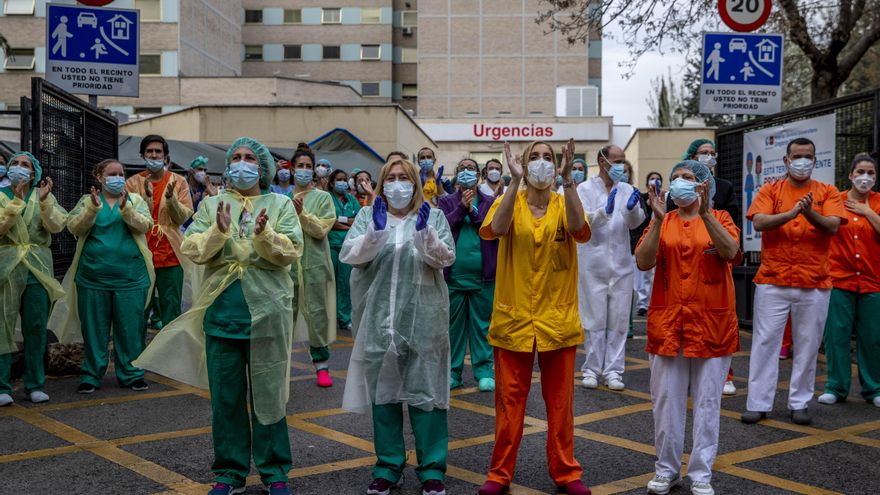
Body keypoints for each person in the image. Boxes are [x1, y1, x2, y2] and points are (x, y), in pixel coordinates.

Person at [134, 137, 303, 495]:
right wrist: (218, 231)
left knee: (269, 398)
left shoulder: (281, 205)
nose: (242, 163)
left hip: (267, 316)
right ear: (227, 165)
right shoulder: (212, 205)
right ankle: (229, 472)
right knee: (226, 401)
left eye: (249, 158)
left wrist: (264, 234)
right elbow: (193, 247)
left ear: (263, 166)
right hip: (222, 316)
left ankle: (275, 472)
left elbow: (291, 250)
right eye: (236, 157)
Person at [478, 140, 592, 495]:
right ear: (522, 165)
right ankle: (499, 474)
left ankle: (567, 473)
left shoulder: (564, 202)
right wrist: (513, 182)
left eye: (548, 157)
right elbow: (495, 229)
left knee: (561, 405)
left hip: (557, 321)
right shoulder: (507, 200)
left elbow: (579, 230)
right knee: (509, 404)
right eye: (534, 158)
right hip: (514, 321)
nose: (541, 163)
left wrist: (568, 180)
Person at [340, 157, 455, 495]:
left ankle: (432, 468)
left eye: (404, 177)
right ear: (381, 183)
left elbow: (445, 258)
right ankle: (388, 465)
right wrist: (375, 232)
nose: (398, 183)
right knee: (384, 396)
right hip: (378, 322)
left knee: (427, 395)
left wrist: (425, 236)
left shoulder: (432, 215)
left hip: (425, 321)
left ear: (415, 183)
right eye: (390, 177)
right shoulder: (367, 215)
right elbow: (351, 256)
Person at [636, 160, 741, 495]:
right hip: (669, 325)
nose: (681, 183)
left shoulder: (721, 218)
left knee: (709, 402)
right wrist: (654, 222)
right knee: (666, 402)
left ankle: (701, 473)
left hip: (712, 325)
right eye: (676, 178)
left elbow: (730, 251)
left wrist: (708, 214)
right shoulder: (662, 221)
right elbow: (643, 260)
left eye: (689, 178)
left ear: (704, 185)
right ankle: (666, 470)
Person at [742, 137, 848, 426]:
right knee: (765, 343)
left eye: (808, 156)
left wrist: (809, 211)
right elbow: (759, 221)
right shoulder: (770, 189)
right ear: (786, 161)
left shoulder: (827, 192)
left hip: (814, 282)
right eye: (797, 156)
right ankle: (758, 403)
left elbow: (833, 226)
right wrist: (791, 213)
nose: (803, 161)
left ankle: (799, 403)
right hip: (773, 280)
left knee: (808, 345)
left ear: (815, 160)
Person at [50, 159, 154, 394]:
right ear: (99, 177)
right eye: (112, 173)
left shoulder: (135, 200)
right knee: (94, 329)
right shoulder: (87, 202)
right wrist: (92, 210)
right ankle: (91, 374)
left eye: (121, 173)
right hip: (93, 277)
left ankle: (131, 373)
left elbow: (145, 226)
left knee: (130, 329)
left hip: (131, 277)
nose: (118, 177)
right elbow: (74, 228)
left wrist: (126, 209)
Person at [0, 152, 67, 406]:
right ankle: (2, 385)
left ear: (34, 172)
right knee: (2, 326)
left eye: (25, 165)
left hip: (37, 268)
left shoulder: (43, 197)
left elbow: (58, 225)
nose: (19, 167)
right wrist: (15, 205)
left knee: (36, 326)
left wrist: (45, 201)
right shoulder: (1, 196)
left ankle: (34, 383)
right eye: (14, 163)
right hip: (6, 266)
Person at [576, 145, 645, 391]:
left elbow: (635, 222)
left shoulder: (627, 189)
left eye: (623, 161)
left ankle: (614, 371)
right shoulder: (584, 189)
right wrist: (602, 213)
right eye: (616, 161)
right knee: (594, 319)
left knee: (618, 320)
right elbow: (581, 221)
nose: (621, 166)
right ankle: (592, 369)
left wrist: (631, 209)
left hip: (622, 265)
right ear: (602, 161)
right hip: (592, 264)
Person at [818, 154, 880, 408]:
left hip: (873, 280)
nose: (865, 177)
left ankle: (873, 388)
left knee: (872, 337)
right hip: (839, 279)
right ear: (850, 175)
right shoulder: (837, 200)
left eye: (871, 173)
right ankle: (836, 386)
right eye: (860, 171)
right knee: (837, 336)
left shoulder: (877, 202)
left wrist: (866, 211)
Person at [437, 158, 499, 392]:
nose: (466, 172)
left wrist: (471, 210)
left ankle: (484, 371)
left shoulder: (490, 202)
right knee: (453, 328)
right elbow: (442, 226)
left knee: (483, 326)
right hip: (453, 277)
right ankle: (453, 373)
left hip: (484, 277)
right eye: (462, 169)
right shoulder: (446, 202)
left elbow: (490, 228)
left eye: (471, 169)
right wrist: (461, 207)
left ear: (479, 175)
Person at [126, 135, 194, 331]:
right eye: (149, 151)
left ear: (165, 157)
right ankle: (135, 356)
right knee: (139, 308)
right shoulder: (132, 183)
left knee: (170, 308)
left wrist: (171, 200)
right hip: (140, 252)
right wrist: (146, 200)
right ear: (142, 155)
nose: (154, 155)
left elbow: (183, 216)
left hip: (171, 254)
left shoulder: (178, 181)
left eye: (158, 152)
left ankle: (170, 357)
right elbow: (128, 215)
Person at [289, 143, 337, 388]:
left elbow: (320, 230)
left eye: (309, 166)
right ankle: (279, 364)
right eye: (301, 166)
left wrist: (302, 215)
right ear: (292, 168)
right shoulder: (281, 198)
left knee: (317, 314)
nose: (305, 170)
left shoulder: (323, 198)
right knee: (284, 315)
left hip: (315, 265)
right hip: (286, 268)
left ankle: (321, 365)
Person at [328, 169, 361, 332]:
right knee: (330, 282)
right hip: (332, 246)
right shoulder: (327, 198)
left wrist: (341, 222)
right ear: (332, 182)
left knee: (345, 283)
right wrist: (347, 222)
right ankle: (331, 317)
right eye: (338, 179)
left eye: (344, 179)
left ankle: (344, 317)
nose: (342, 182)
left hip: (347, 246)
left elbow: (358, 221)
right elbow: (329, 221)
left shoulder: (351, 199)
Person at [681, 139, 740, 222]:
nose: (709, 156)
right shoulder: (682, 184)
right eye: (704, 153)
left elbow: (732, 218)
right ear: (692, 157)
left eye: (712, 154)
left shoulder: (724, 186)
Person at [632, 172, 663, 317]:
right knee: (643, 275)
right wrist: (650, 204)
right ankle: (643, 303)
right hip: (647, 240)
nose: (655, 181)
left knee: (658, 275)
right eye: (652, 179)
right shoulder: (643, 198)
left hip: (662, 241)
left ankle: (656, 302)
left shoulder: (666, 198)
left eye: (658, 179)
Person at [184, 156, 217, 231]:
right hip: (184, 228)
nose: (203, 172)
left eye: (204, 170)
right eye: (200, 169)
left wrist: (210, 197)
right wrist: (191, 202)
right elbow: (178, 212)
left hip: (200, 230)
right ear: (191, 171)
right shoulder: (183, 187)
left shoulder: (205, 189)